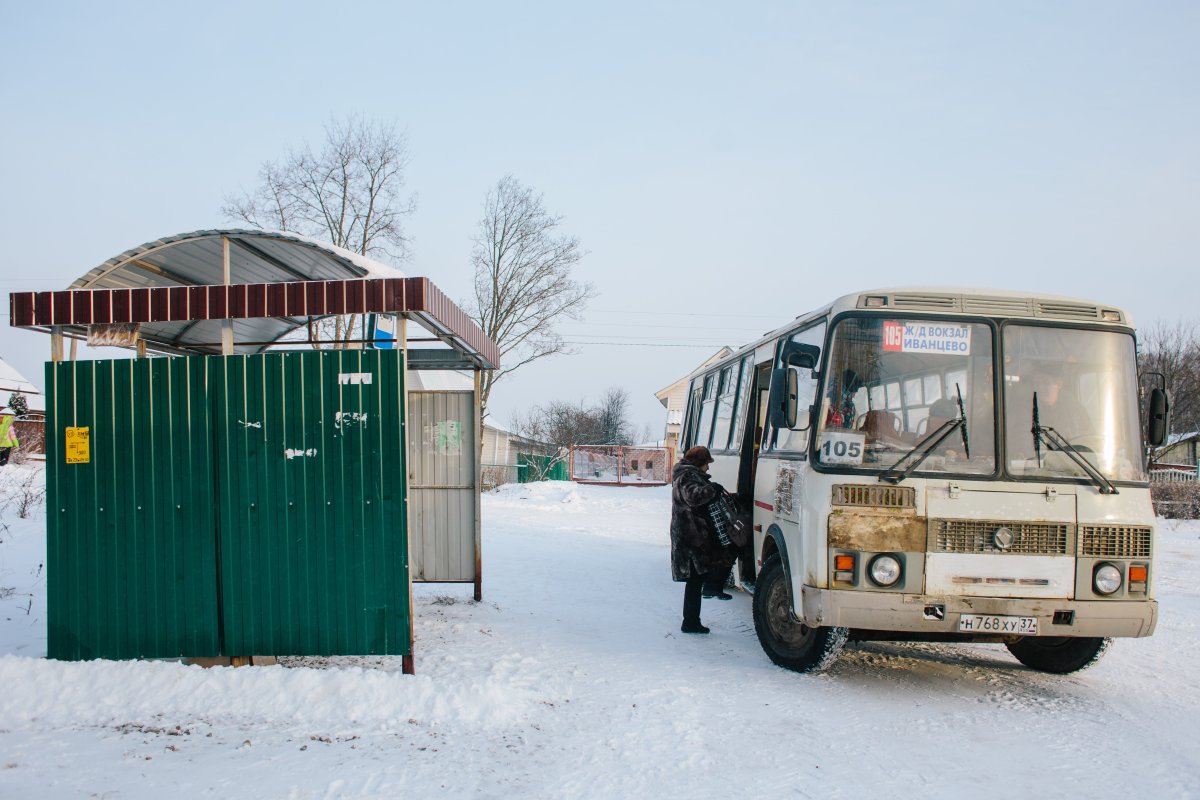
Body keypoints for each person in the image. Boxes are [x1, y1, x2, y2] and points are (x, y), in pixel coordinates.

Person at [669, 445, 732, 634]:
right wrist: (712, 489)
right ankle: (690, 622)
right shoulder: (687, 477)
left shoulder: (686, 475)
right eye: (706, 463)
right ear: (699, 463)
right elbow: (693, 497)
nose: (708, 468)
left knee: (696, 581)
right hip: (691, 537)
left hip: (691, 535)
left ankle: (692, 620)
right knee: (695, 582)